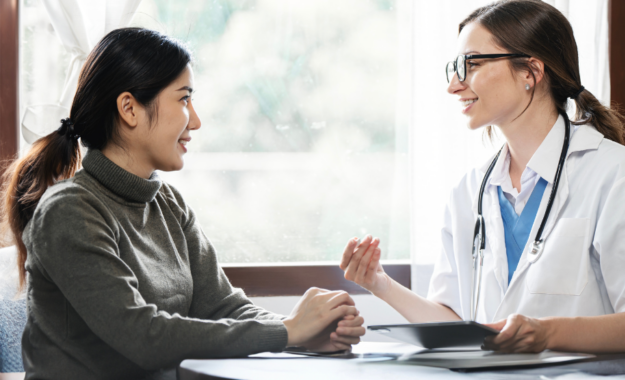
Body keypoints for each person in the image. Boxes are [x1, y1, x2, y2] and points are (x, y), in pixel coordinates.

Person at [0, 28, 365, 380]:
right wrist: (289, 331)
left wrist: (312, 331)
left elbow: (222, 306)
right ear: (129, 108)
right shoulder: (69, 212)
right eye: (184, 98)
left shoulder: (168, 203)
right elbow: (143, 336)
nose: (196, 120)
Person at [340, 0, 625, 353]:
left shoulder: (617, 173)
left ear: (531, 72)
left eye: (473, 64)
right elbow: (458, 324)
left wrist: (548, 334)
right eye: (455, 67)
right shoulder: (470, 191)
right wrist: (380, 284)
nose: (454, 85)